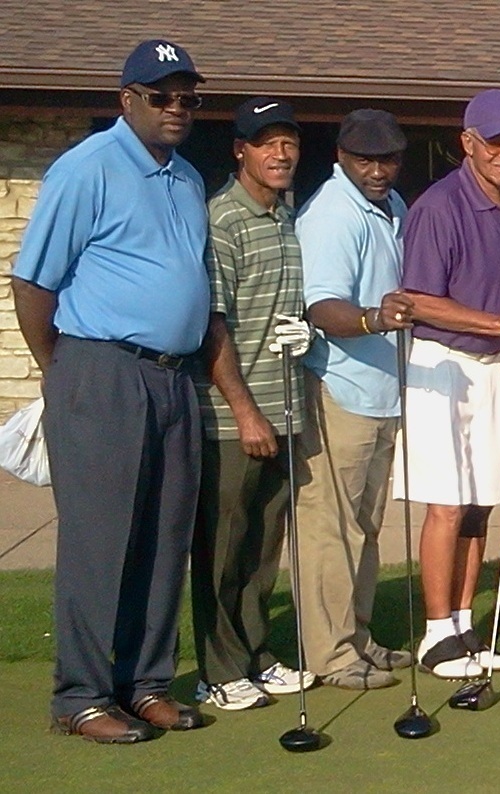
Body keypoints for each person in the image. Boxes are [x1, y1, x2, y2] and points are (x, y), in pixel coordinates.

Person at [18, 38, 213, 743]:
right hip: (101, 369)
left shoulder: (188, 176)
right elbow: (33, 283)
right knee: (100, 542)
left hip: (173, 377)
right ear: (127, 99)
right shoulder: (88, 167)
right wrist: (63, 371)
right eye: (161, 96)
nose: (176, 108)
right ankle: (81, 696)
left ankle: (145, 684)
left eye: (187, 98)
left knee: (163, 539)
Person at [396, 89, 500, 679]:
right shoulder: (437, 206)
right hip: (442, 365)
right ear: (469, 143)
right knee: (447, 504)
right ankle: (436, 635)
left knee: (482, 502)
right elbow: (417, 300)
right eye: (496, 143)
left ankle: (463, 625)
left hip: (490, 366)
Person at [191, 97, 318, 711]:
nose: (281, 153)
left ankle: (254, 655)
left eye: (288, 142)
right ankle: (217, 670)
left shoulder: (286, 216)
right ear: (241, 150)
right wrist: (245, 412)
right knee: (224, 548)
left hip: (285, 405)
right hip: (234, 417)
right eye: (267, 143)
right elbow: (213, 325)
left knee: (264, 548)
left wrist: (306, 331)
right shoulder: (223, 219)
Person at [293, 109, 419, 690]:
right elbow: (321, 306)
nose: (377, 170)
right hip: (339, 388)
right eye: (365, 160)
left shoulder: (391, 207)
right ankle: (331, 655)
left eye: (387, 159)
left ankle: (358, 637)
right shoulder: (333, 214)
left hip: (382, 392)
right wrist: (373, 318)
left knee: (365, 526)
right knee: (332, 528)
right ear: (341, 156)